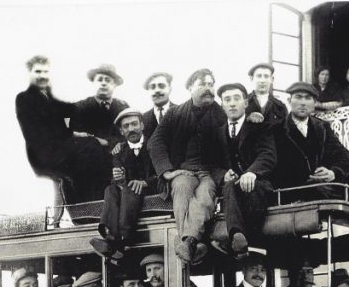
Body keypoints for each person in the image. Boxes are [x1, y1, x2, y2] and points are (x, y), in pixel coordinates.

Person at [148, 68, 226, 265]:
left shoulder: (222, 113)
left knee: (206, 194)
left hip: (210, 172)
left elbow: (240, 118)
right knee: (181, 188)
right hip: (184, 170)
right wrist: (167, 172)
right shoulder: (174, 113)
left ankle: (187, 241)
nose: (208, 89)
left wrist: (253, 116)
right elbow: (155, 142)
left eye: (210, 84)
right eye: (202, 84)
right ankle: (193, 241)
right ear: (190, 87)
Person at [271, 82, 349, 205]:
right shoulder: (277, 130)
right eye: (298, 97)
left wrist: (333, 173)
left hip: (329, 182)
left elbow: (343, 155)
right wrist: (307, 177)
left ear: (314, 103)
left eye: (308, 98)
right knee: (317, 190)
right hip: (300, 186)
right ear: (289, 100)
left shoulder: (322, 126)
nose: (303, 102)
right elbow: (275, 167)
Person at [15, 55, 110, 204]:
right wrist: (78, 134)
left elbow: (70, 109)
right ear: (30, 74)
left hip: (59, 149)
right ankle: (89, 205)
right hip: (43, 153)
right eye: (38, 71)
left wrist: (95, 103)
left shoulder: (48, 97)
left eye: (45, 72)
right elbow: (38, 132)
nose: (42, 76)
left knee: (94, 152)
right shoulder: (24, 98)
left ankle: (92, 205)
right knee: (91, 146)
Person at [211, 83, 277, 257]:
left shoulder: (260, 126)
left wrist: (252, 172)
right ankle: (238, 236)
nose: (232, 103)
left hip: (258, 185)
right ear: (222, 105)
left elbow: (268, 155)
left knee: (244, 189)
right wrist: (222, 174)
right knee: (230, 185)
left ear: (246, 103)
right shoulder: (217, 133)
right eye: (227, 100)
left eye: (236, 98)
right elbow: (212, 164)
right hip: (231, 189)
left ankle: (235, 237)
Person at [90, 109, 157, 259]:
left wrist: (145, 183)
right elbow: (119, 182)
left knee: (128, 189)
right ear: (121, 131)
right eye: (126, 126)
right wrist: (118, 180)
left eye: (134, 124)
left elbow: (163, 172)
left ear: (142, 125)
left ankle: (123, 241)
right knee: (110, 189)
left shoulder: (154, 145)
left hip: (153, 190)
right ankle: (111, 238)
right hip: (130, 195)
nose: (131, 129)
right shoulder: (119, 152)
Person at [70, 64, 130, 152]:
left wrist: (108, 142)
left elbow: (128, 135)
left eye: (108, 80)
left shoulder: (123, 108)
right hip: (89, 157)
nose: (103, 83)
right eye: (100, 80)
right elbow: (76, 136)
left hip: (119, 157)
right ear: (93, 83)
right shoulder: (80, 107)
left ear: (114, 85)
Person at [142, 72, 176, 139]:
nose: (157, 90)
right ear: (149, 91)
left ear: (169, 89)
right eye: (152, 87)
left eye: (161, 86)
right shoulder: (143, 118)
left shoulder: (182, 113)